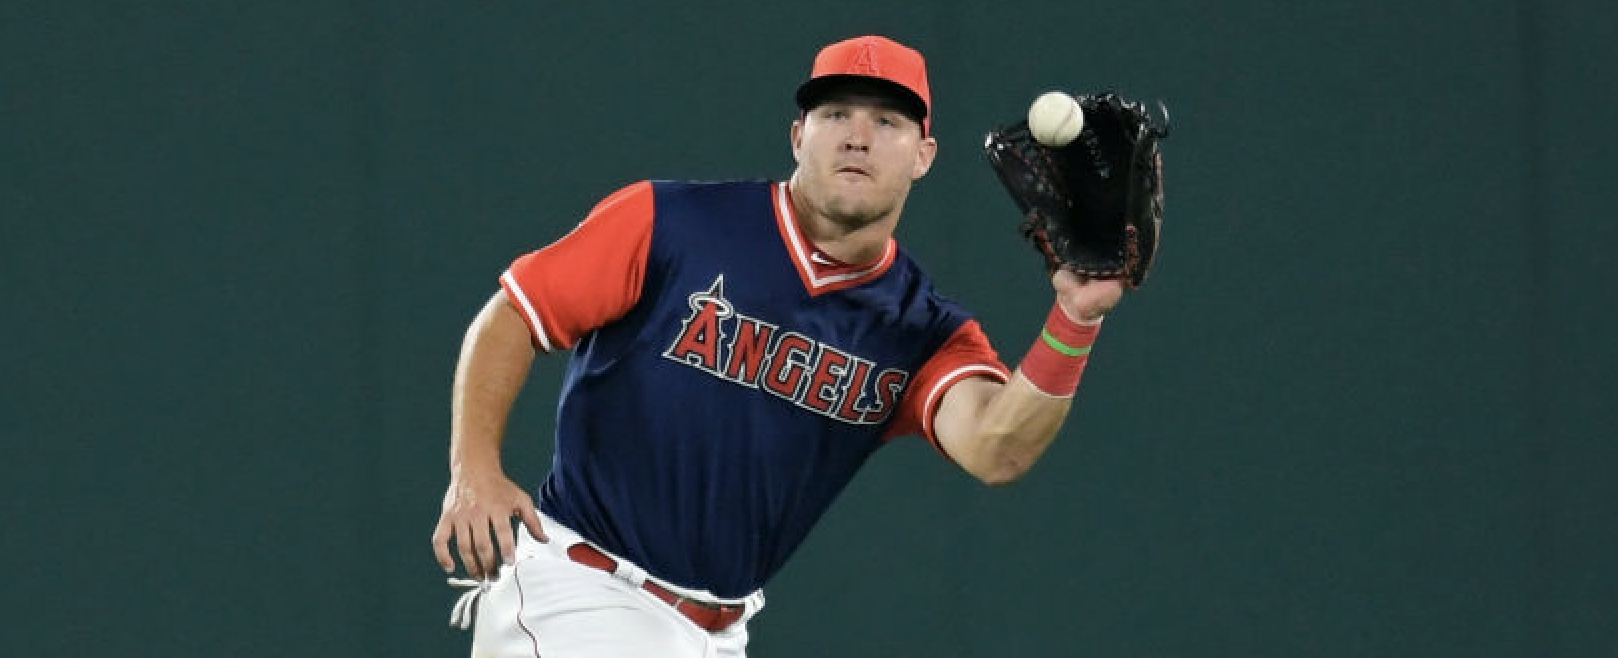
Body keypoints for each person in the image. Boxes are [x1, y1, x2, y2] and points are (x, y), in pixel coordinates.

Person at [431, 34, 1128, 658]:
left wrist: (1075, 317)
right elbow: (513, 316)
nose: (856, 136)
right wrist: (475, 470)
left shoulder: (920, 329)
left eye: (886, 120)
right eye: (835, 115)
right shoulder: (669, 224)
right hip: (581, 594)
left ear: (924, 154)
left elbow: (998, 446)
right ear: (798, 135)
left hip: (716, 632)